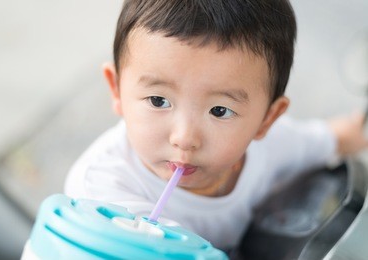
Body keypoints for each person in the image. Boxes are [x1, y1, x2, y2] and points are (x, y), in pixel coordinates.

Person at [64, 0, 367, 251]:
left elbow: (336, 138)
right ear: (116, 90)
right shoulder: (100, 196)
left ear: (267, 119)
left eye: (219, 110)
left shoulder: (276, 145)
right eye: (158, 101)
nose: (184, 138)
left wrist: (355, 134)